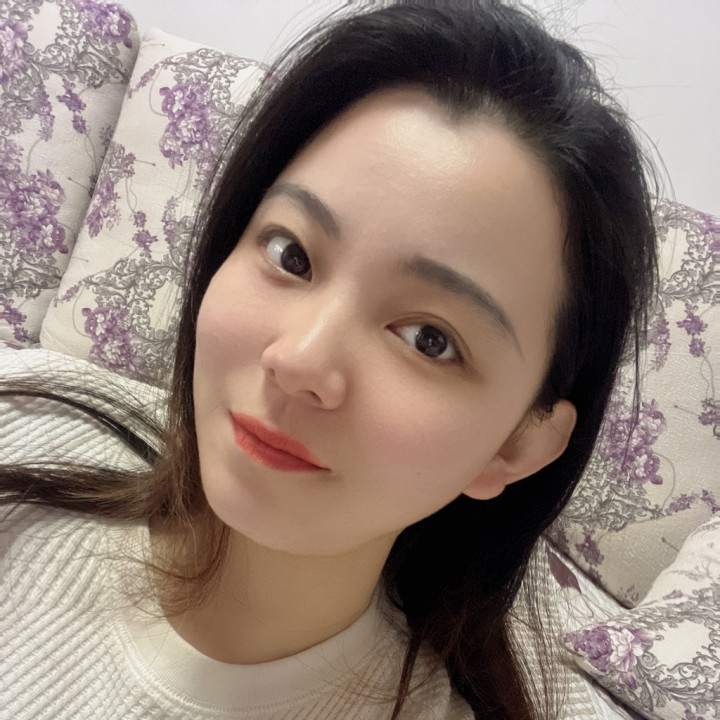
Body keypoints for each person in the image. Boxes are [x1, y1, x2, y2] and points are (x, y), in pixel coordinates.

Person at [0, 1, 658, 718]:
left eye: (429, 339)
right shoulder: (23, 415)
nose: (300, 360)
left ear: (516, 446)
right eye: (292, 254)